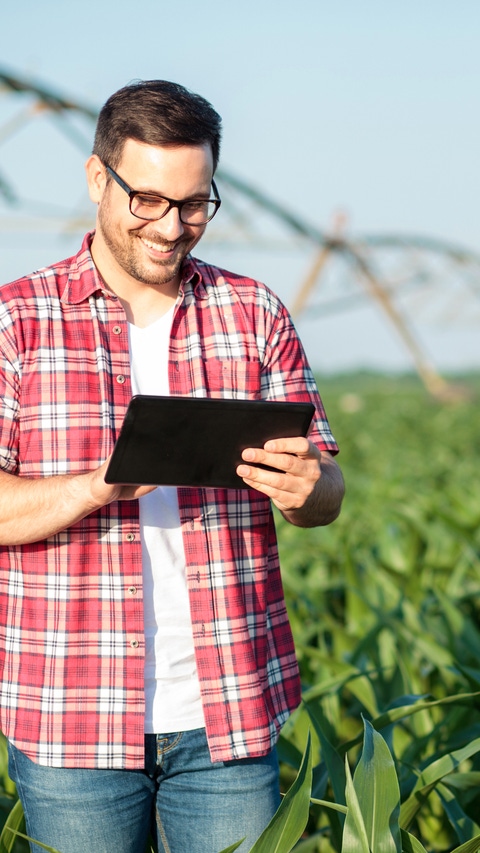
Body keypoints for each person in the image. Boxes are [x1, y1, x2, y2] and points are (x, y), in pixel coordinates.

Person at [0, 80, 344, 853]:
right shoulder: (15, 321)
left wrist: (310, 486)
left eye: (194, 203)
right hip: (71, 717)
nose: (171, 226)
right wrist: (99, 486)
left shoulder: (253, 313)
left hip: (227, 716)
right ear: (99, 179)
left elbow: (326, 488)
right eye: (148, 199)